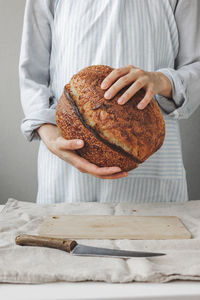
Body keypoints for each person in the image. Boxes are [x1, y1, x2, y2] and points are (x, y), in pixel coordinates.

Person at [19, 0, 200, 204]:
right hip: (66, 173)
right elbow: (32, 76)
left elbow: (196, 68)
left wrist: (161, 81)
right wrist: (50, 136)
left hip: (154, 177)